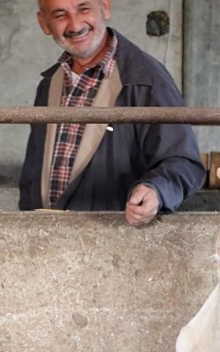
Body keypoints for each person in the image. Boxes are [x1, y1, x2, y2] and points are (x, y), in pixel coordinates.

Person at [19, 0, 206, 226]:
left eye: (83, 8)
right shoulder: (50, 84)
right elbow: (32, 175)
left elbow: (184, 162)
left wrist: (156, 191)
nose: (75, 24)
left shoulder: (146, 80)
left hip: (113, 243)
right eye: (60, 15)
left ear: (105, 7)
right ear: (44, 23)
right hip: (48, 239)